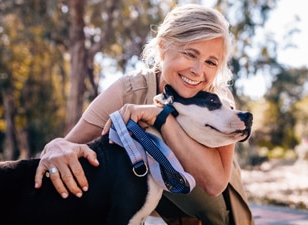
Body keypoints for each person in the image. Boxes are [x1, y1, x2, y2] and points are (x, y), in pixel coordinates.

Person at [34, 4, 254, 225]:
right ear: (163, 48)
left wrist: (162, 117)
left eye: (210, 62)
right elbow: (68, 145)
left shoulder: (220, 102)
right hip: (144, 194)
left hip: (214, 212)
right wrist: (56, 147)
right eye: (190, 54)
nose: (198, 71)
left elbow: (214, 185)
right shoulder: (130, 90)